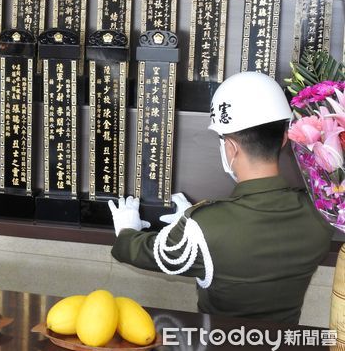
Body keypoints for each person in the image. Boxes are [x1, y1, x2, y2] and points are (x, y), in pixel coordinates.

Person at [109, 72, 334, 324]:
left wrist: (126, 230)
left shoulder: (204, 226)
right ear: (284, 139)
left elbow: (146, 253)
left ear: (231, 147)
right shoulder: (321, 214)